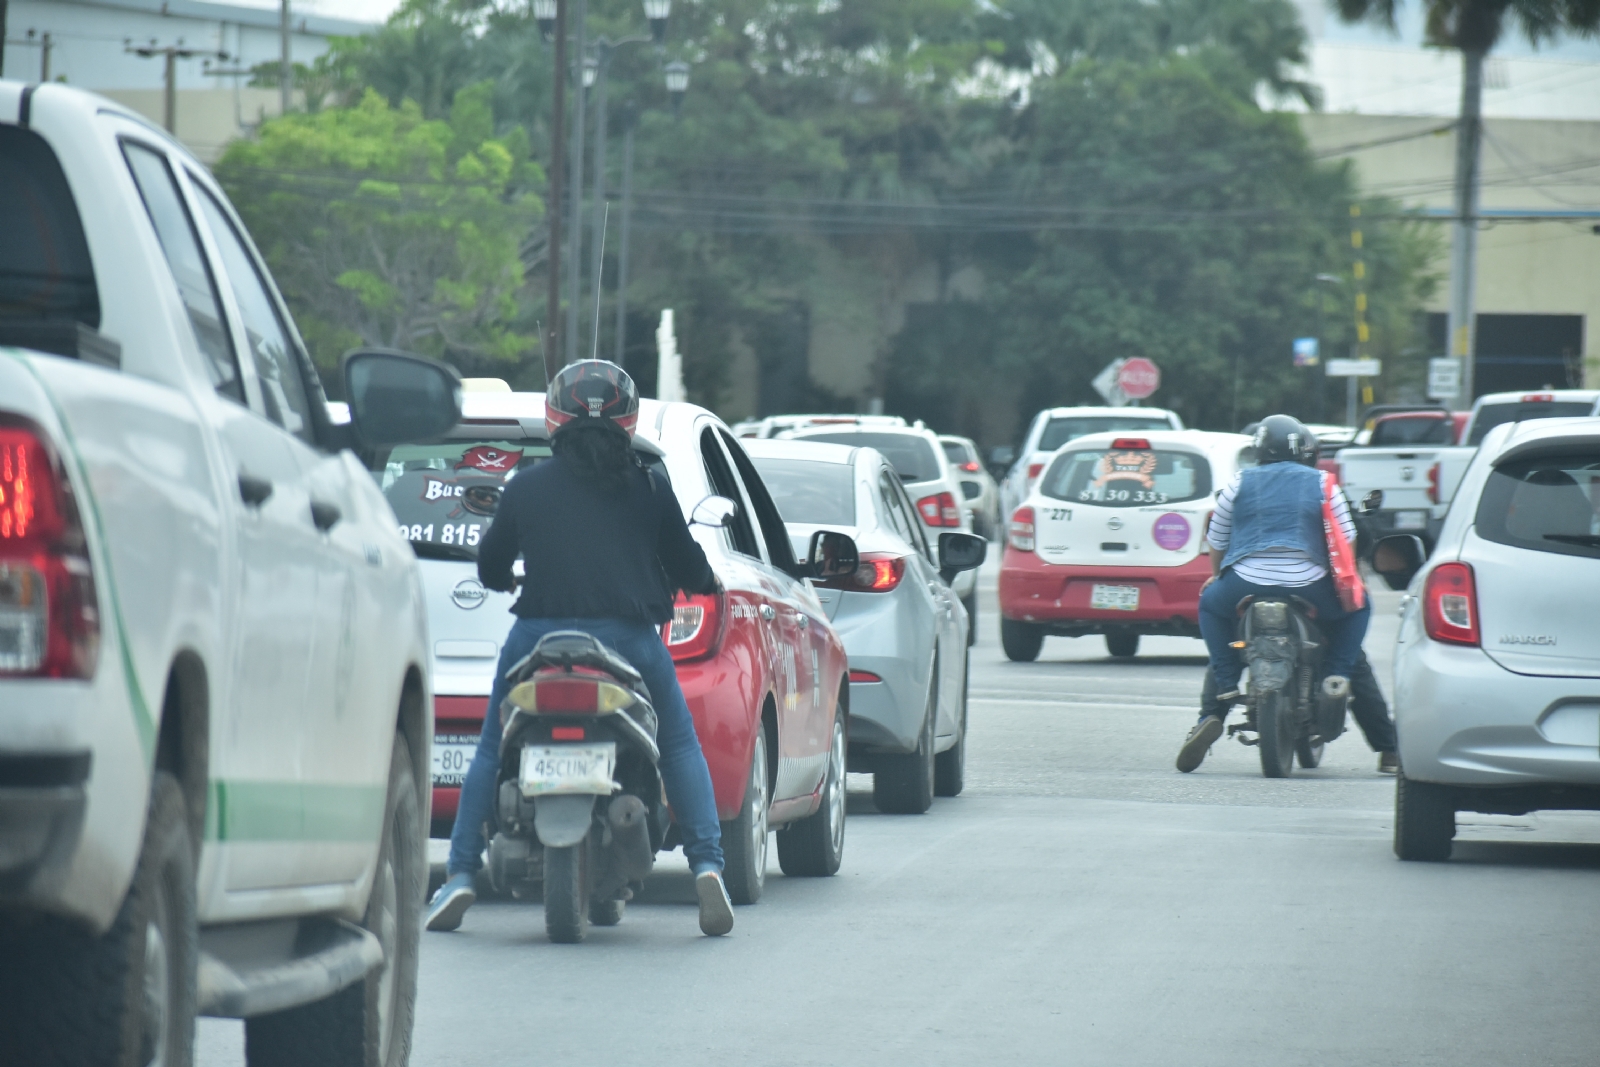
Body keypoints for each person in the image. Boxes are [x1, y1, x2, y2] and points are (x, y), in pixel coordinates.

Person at [424, 360, 734, 937]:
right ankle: (708, 866)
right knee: (678, 741)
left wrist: (499, 578)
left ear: (554, 417)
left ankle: (462, 873)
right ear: (628, 419)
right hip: (629, 640)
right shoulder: (650, 486)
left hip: (537, 637)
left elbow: (492, 564)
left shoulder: (529, 486)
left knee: (492, 746)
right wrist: (708, 582)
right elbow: (688, 563)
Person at [1176, 414, 1377, 773]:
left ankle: (1224, 684)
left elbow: (1216, 540)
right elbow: (1346, 537)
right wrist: (1349, 579)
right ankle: (1336, 675)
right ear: (1304, 450)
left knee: (1209, 605)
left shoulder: (1239, 482)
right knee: (1361, 608)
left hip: (1244, 584)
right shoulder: (1324, 483)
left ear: (1259, 450)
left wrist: (1217, 577)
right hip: (1309, 585)